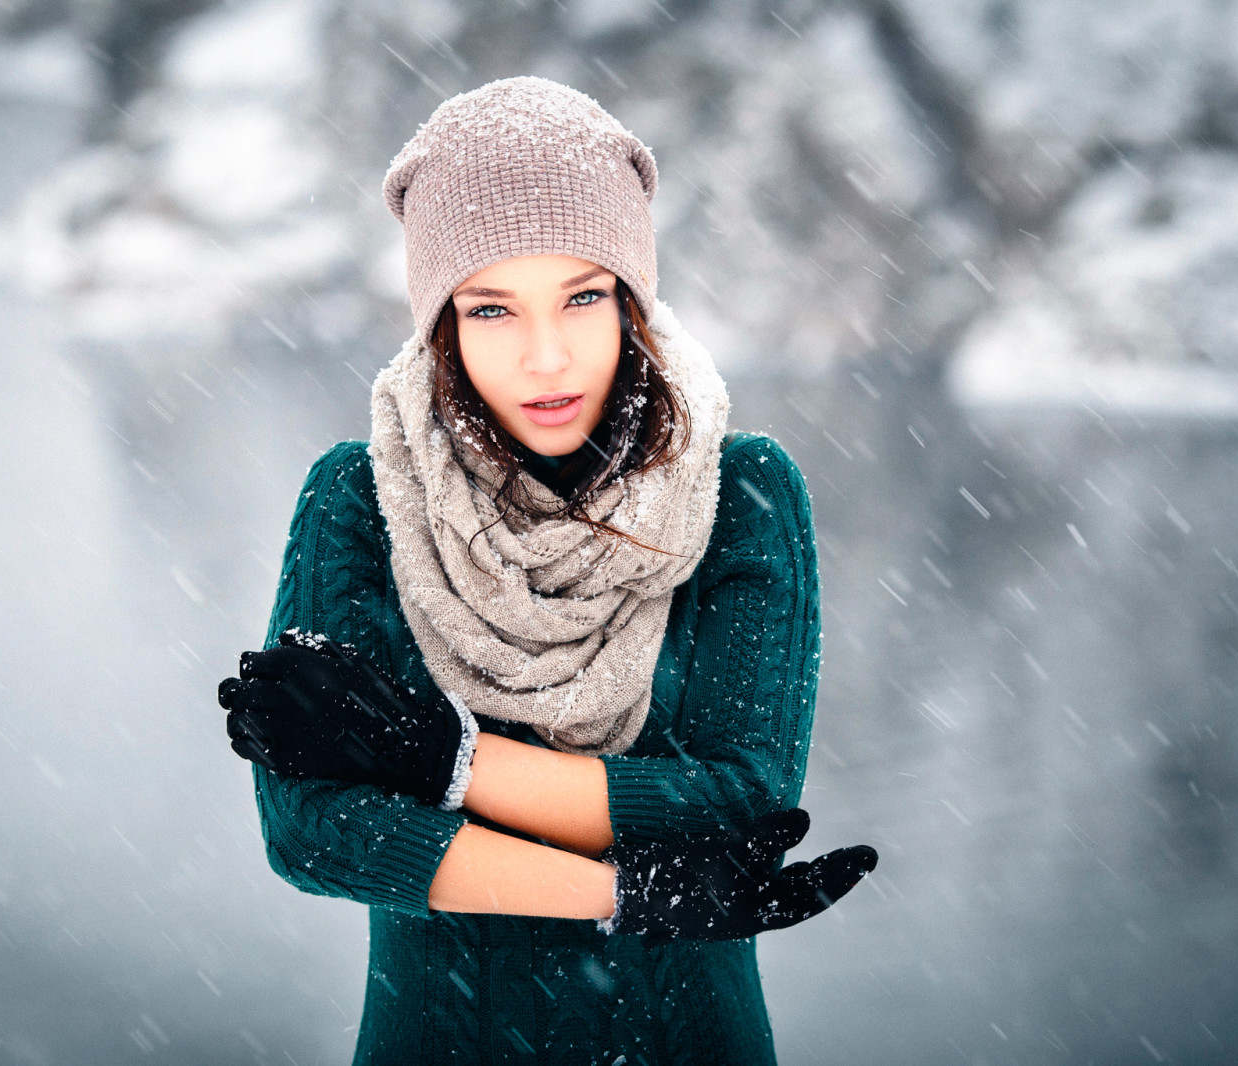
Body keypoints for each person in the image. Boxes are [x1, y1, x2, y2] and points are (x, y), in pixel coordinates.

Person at [216, 76, 878, 1064]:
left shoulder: (741, 493)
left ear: (632, 300)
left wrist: (436, 763)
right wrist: (627, 890)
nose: (544, 357)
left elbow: (738, 797)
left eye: (582, 297)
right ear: (441, 321)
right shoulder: (361, 500)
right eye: (490, 311)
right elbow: (313, 834)